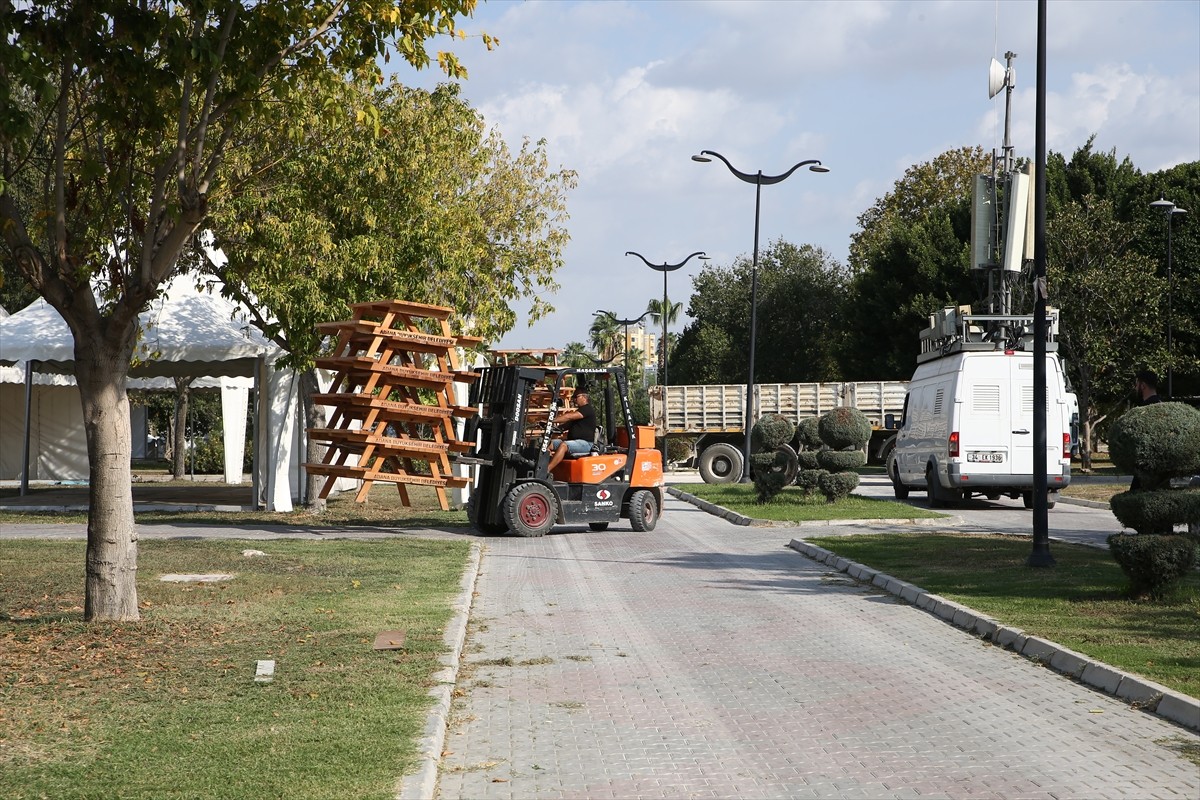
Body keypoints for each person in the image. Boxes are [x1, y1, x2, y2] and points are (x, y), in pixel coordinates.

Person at [547, 388, 597, 471]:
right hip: (575, 442)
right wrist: (553, 428)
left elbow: (568, 417)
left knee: (564, 445)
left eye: (576, 397)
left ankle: (546, 470)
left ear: (584, 397)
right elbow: (565, 426)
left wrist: (551, 420)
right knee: (547, 443)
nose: (574, 399)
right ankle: (546, 466)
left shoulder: (587, 409)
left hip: (586, 444)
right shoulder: (579, 412)